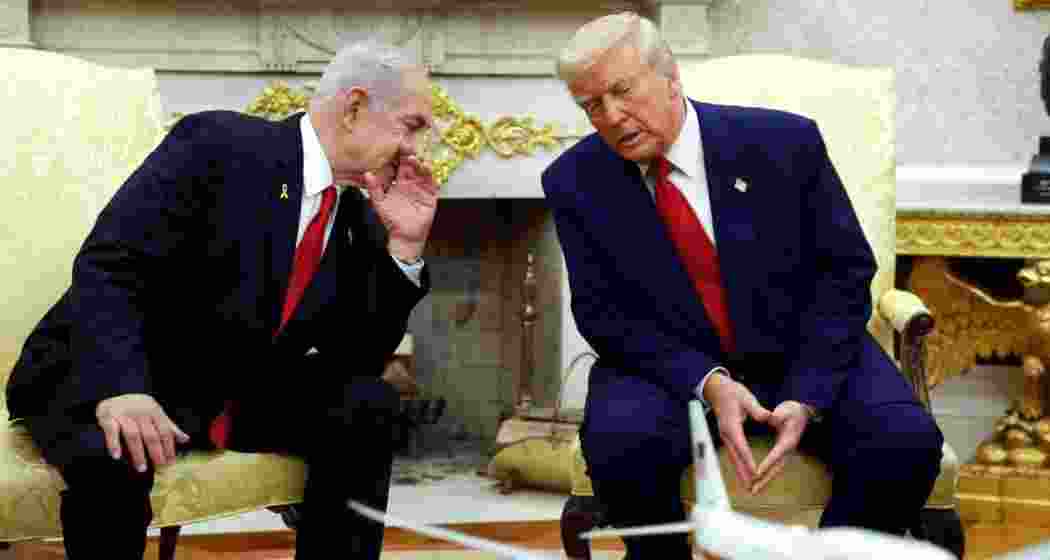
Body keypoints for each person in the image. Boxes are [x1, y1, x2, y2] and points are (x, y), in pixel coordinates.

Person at [4, 39, 437, 559]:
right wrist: (121, 387)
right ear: (354, 107)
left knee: (367, 405)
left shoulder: (358, 214)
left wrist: (405, 249)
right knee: (115, 451)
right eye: (412, 124)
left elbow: (356, 358)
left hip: (228, 386)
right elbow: (110, 266)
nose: (417, 147)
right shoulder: (219, 144)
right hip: (113, 368)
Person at [543, 12, 945, 559]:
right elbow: (602, 314)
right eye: (591, 105)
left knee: (904, 442)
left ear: (670, 76)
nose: (611, 117)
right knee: (621, 445)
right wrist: (707, 381)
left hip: (802, 347)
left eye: (622, 90)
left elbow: (846, 268)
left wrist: (807, 392)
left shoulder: (783, 142)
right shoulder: (573, 181)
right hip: (672, 363)